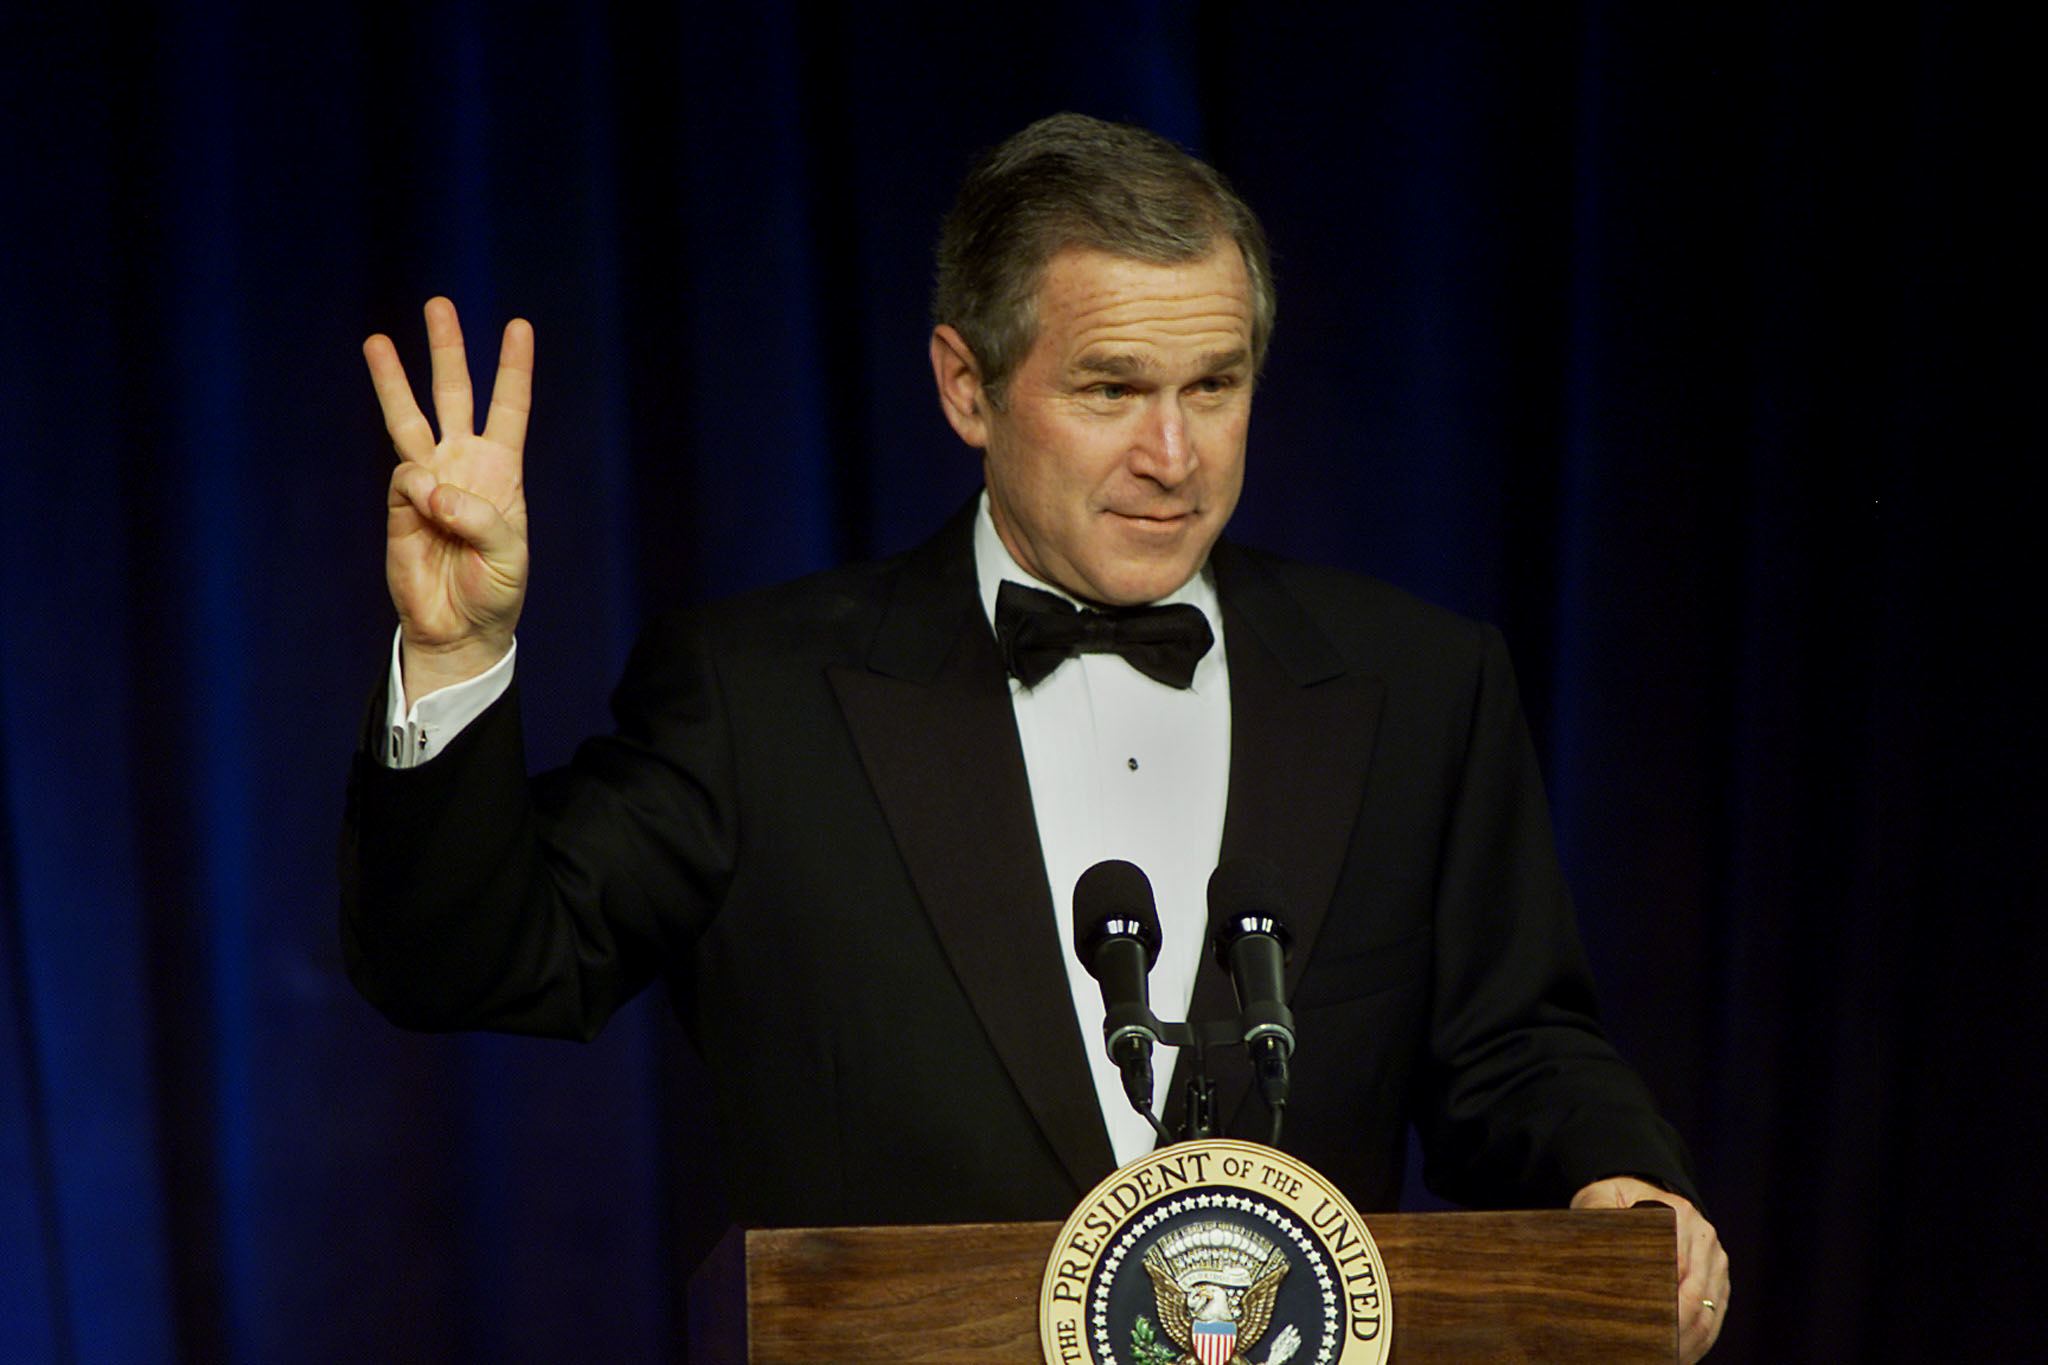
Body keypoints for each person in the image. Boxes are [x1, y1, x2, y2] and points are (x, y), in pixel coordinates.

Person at [344, 113, 1728, 1360]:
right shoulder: (758, 693)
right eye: (1114, 389)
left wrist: (1621, 1178)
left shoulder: (1418, 681)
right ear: (966, 386)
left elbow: (1513, 1044)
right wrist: (458, 654)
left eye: (1217, 385)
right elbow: (474, 958)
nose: (1175, 455)